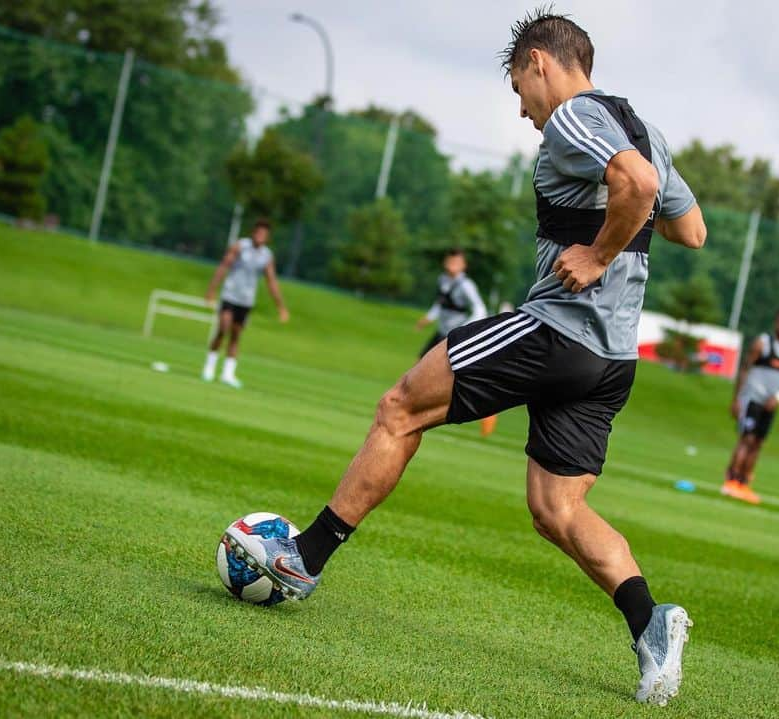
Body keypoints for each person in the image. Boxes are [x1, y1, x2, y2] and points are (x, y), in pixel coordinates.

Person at [225, 9, 706, 705]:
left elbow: (638, 187)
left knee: (400, 406)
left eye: (519, 89)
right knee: (556, 507)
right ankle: (651, 623)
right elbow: (690, 228)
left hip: (559, 331)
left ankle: (305, 557)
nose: (524, 112)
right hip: (614, 357)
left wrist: (598, 252)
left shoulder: (575, 116)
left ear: (541, 61)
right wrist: (618, 214)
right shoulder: (647, 129)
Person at [722, 309, 779, 505]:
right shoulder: (762, 344)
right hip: (752, 398)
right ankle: (731, 480)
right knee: (746, 439)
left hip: (770, 404)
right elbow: (745, 369)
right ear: (776, 323)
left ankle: (744, 483)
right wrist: (737, 399)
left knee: (758, 443)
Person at [416, 248, 496, 435]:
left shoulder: (466, 286)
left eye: (456, 262)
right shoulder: (442, 280)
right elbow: (440, 304)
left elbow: (480, 310)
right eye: (449, 261)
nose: (452, 265)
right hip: (440, 333)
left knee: (460, 379)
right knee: (419, 366)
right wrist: (428, 317)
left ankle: (488, 414)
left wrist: (464, 331)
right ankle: (418, 404)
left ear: (463, 266)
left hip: (453, 337)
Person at [202, 219, 289, 388]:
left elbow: (272, 282)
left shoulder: (266, 256)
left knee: (235, 335)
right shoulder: (240, 246)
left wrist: (281, 307)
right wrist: (212, 289)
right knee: (223, 328)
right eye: (258, 232)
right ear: (253, 232)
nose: (260, 236)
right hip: (230, 295)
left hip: (246, 300)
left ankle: (228, 373)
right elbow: (223, 266)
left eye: (264, 233)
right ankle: (209, 367)